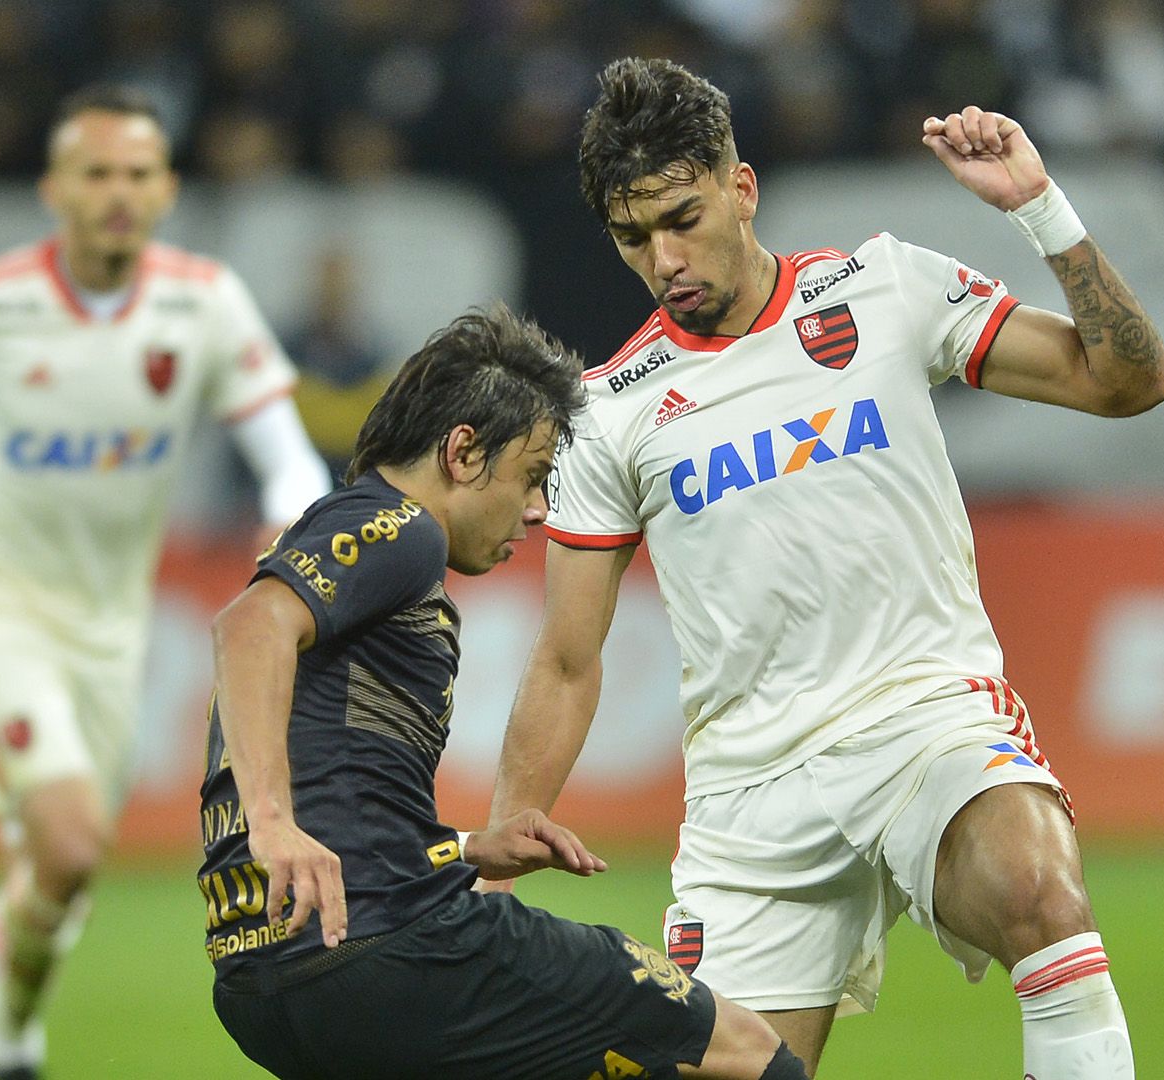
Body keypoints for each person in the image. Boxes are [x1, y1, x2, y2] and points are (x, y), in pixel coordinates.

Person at [486, 57, 1164, 1080]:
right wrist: (507, 829)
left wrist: (1041, 210)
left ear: (742, 187)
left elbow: (1126, 382)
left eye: (684, 216)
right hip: (752, 795)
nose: (666, 257)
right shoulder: (610, 412)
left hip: (925, 720)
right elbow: (569, 659)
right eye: (636, 237)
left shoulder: (886, 287)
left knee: (1040, 895)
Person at [0, 85, 331, 1080]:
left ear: (167, 188)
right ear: (54, 188)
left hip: (113, 634)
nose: (118, 193)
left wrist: (289, 520)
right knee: (63, 846)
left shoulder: (202, 303)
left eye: (138, 173)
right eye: (96, 173)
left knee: (60, 874)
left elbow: (288, 455)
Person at [200, 305, 810, 1080]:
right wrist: (274, 823)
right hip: (393, 950)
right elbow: (245, 629)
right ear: (461, 451)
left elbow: (339, 785)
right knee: (744, 1056)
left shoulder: (339, 557)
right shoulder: (399, 527)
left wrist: (464, 848)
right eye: (531, 474)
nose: (538, 509)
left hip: (264, 979)